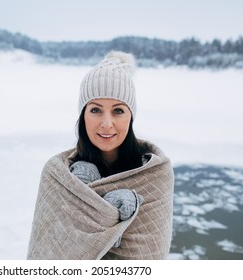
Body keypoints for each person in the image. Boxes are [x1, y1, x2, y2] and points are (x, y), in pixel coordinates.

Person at [27, 51, 174, 260]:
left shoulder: (156, 174)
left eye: (118, 111)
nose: (107, 123)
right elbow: (46, 254)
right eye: (95, 110)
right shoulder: (58, 175)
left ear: (131, 116)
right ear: (83, 115)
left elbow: (151, 257)